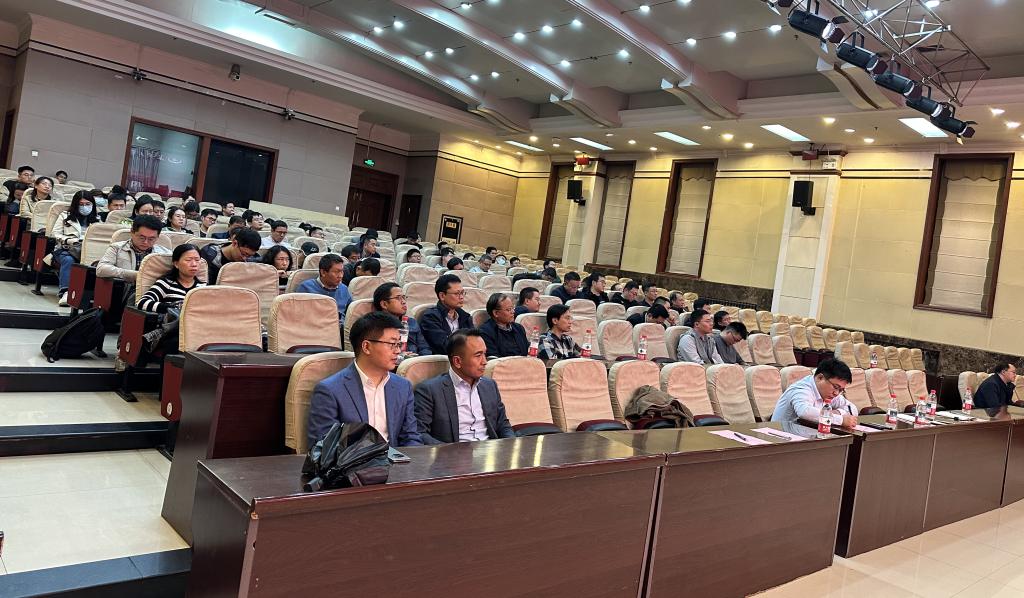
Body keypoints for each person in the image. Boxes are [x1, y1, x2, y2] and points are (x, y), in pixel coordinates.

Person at [307, 311, 422, 448]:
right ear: (366, 347)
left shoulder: (402, 386)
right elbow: (325, 447)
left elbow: (410, 437)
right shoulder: (330, 390)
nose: (398, 351)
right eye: (392, 344)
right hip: (351, 460)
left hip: (396, 460)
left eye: (399, 344)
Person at [414, 329, 515, 444]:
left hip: (490, 450)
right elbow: (420, 433)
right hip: (453, 452)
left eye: (484, 354)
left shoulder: (489, 385)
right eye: (478, 355)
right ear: (457, 361)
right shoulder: (429, 390)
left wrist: (511, 445)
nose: (484, 361)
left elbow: (503, 424)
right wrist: (449, 451)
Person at [137, 243, 205, 353]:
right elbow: (142, 302)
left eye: (197, 260)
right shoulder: (166, 284)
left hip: (197, 331)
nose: (194, 264)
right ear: (176, 264)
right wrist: (172, 308)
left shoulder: (204, 288)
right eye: (188, 260)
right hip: (173, 332)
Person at [771, 358, 857, 428]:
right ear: (820, 378)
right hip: (782, 438)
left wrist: (836, 412)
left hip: (806, 435)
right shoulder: (802, 389)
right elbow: (804, 412)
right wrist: (840, 420)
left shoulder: (830, 392)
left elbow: (852, 409)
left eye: (841, 390)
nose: (836, 393)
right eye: (836, 387)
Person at [50, 191, 100, 306]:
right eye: (81, 204)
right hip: (67, 249)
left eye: (88, 204)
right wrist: (68, 240)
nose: (85, 207)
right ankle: (66, 292)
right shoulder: (65, 216)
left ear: (92, 204)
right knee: (68, 260)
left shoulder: (98, 219)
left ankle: (94, 296)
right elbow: (55, 234)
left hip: (88, 250)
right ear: (75, 205)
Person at [96, 215, 171, 285]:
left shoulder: (165, 254)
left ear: (157, 237)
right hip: (125, 290)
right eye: (142, 238)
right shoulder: (117, 248)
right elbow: (101, 269)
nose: (145, 242)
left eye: (151, 239)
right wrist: (135, 275)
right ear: (132, 232)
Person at [296, 253, 352, 339]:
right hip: (314, 332)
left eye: (342, 271)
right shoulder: (306, 288)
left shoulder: (344, 288)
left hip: (340, 332)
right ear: (323, 272)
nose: (340, 276)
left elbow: (350, 313)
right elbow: (299, 317)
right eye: (336, 272)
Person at [419, 274, 473, 354]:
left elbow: (474, 340)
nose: (461, 297)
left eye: (462, 293)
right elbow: (443, 346)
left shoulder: (465, 317)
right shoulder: (430, 317)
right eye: (457, 293)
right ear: (442, 296)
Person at [373, 282, 431, 356]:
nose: (403, 302)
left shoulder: (411, 322)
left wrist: (419, 359)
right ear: (384, 304)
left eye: (404, 297)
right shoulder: (376, 325)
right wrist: (400, 356)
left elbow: (424, 348)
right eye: (398, 298)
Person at [479, 292, 529, 358]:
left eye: (513, 308)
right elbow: (494, 359)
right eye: (509, 309)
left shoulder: (519, 328)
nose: (513, 312)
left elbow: (527, 351)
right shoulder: (485, 332)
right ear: (496, 313)